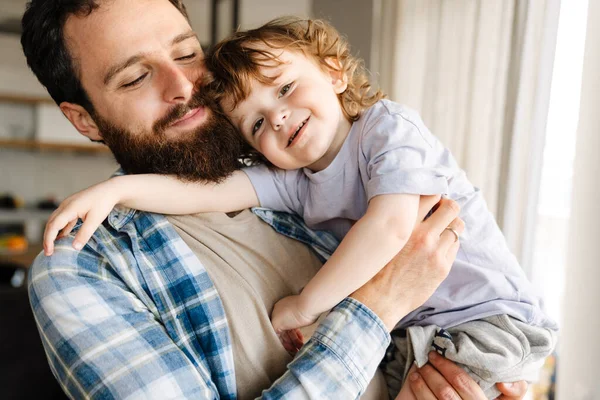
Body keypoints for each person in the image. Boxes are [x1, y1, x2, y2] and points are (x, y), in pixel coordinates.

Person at [22, 0, 528, 399]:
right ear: (84, 119)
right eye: (134, 77)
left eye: (185, 53)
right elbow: (395, 285)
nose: (182, 86)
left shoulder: (303, 165)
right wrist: (382, 299)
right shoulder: (80, 267)